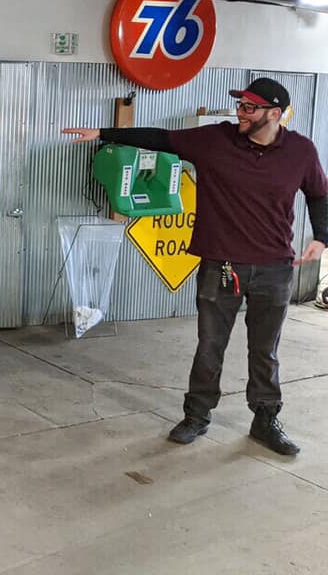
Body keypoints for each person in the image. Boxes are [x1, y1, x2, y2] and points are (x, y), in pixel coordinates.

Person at [63, 77, 328, 456]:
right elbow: (161, 138)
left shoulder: (301, 151)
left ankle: (265, 420)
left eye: (249, 108)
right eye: (239, 105)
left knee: (265, 350)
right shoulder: (215, 140)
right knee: (210, 346)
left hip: (274, 268)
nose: (240, 113)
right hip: (221, 266)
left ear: (274, 114)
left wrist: (322, 236)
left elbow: (319, 194)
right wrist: (104, 133)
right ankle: (197, 416)